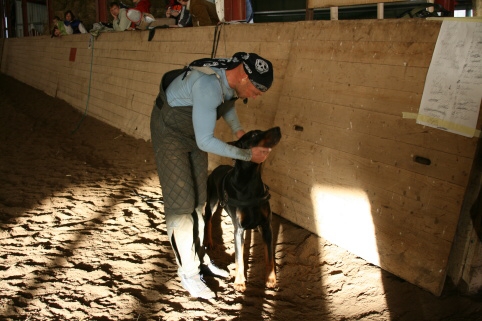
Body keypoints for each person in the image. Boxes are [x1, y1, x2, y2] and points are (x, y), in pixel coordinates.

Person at [150, 52, 274, 299]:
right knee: (181, 205)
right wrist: (247, 155)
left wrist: (237, 130)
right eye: (257, 89)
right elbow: (206, 140)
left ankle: (198, 258)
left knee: (199, 199)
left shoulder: (228, 80)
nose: (258, 95)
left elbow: (226, 103)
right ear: (243, 76)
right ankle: (189, 274)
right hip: (171, 132)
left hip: (194, 131)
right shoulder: (208, 85)